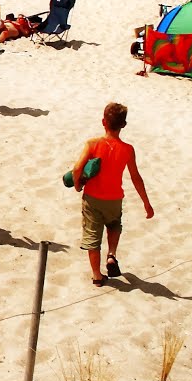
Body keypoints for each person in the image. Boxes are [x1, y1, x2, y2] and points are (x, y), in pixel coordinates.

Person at [72, 102, 154, 286]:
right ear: (123, 125)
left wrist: (77, 184)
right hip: (115, 198)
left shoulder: (93, 144)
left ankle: (97, 276)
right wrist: (146, 204)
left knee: (92, 236)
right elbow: (136, 178)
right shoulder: (128, 149)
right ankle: (111, 255)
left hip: (93, 198)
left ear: (103, 122)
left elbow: (77, 168)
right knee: (114, 225)